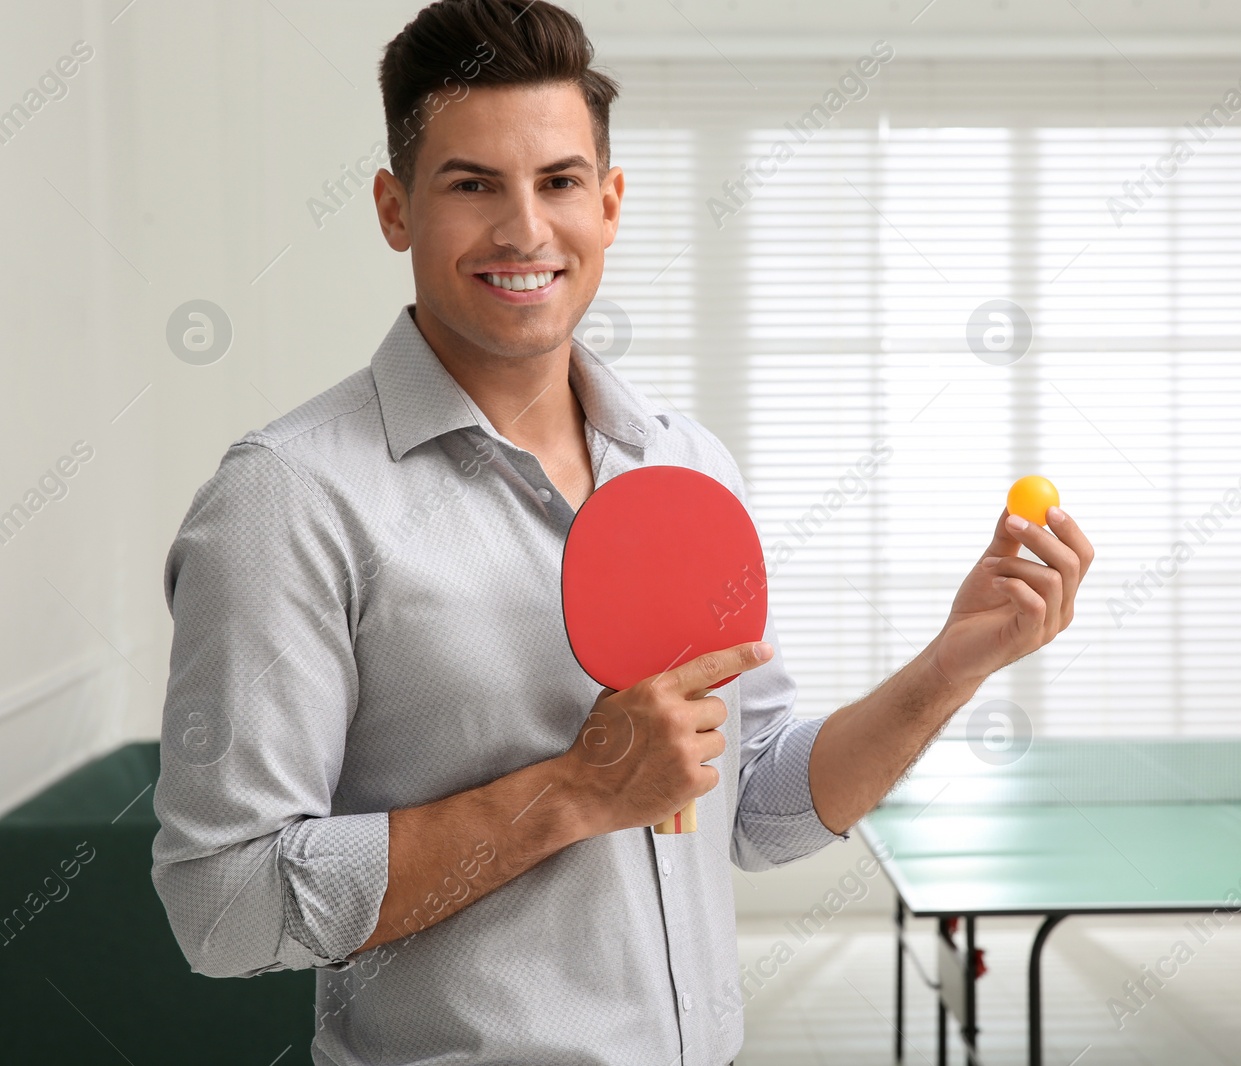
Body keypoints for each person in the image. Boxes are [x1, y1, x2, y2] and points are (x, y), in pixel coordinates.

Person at [150, 2, 1092, 1063]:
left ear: (609, 203)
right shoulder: (288, 498)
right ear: (392, 208)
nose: (523, 230)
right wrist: (578, 789)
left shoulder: (684, 462)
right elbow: (223, 906)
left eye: (557, 182)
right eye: (471, 184)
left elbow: (757, 810)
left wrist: (957, 660)